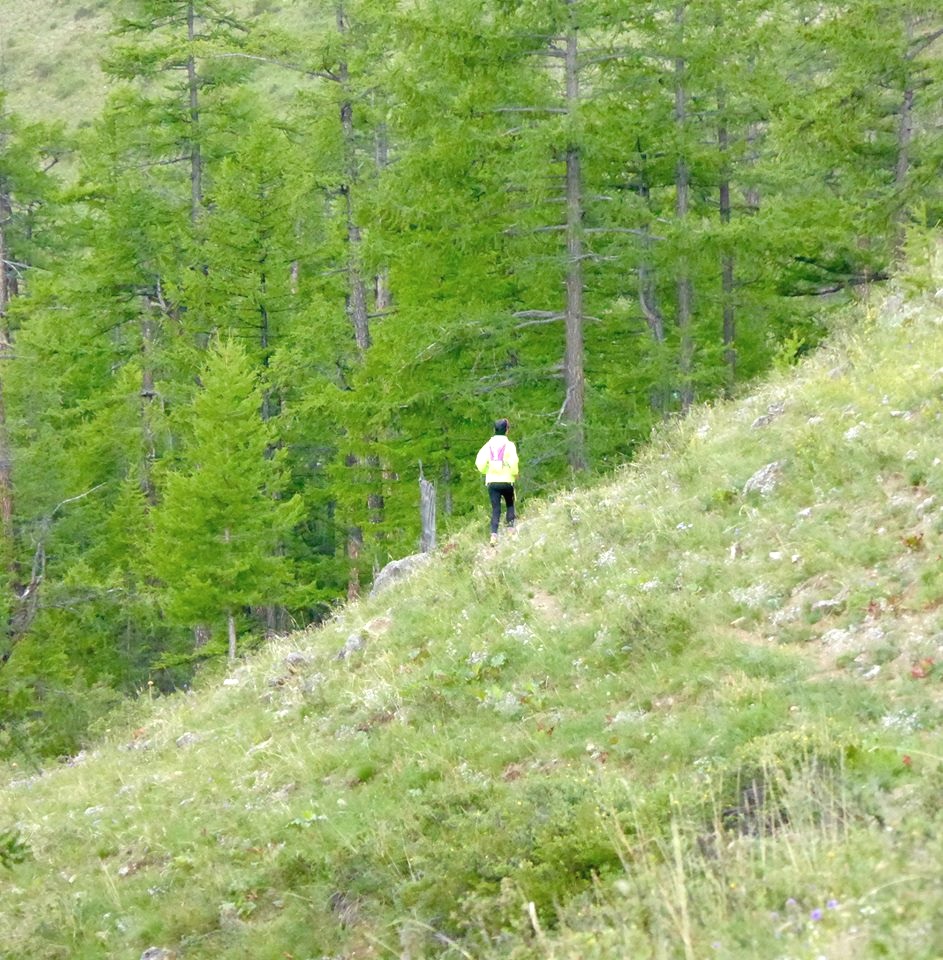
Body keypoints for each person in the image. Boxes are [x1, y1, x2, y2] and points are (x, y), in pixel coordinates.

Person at [475, 418, 519, 545]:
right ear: (507, 430)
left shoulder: (487, 446)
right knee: (510, 504)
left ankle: (493, 535)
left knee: (496, 509)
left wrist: (486, 471)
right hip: (507, 481)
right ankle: (510, 529)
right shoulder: (510, 445)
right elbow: (514, 462)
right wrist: (514, 473)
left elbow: (479, 463)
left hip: (492, 482)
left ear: (494, 429)